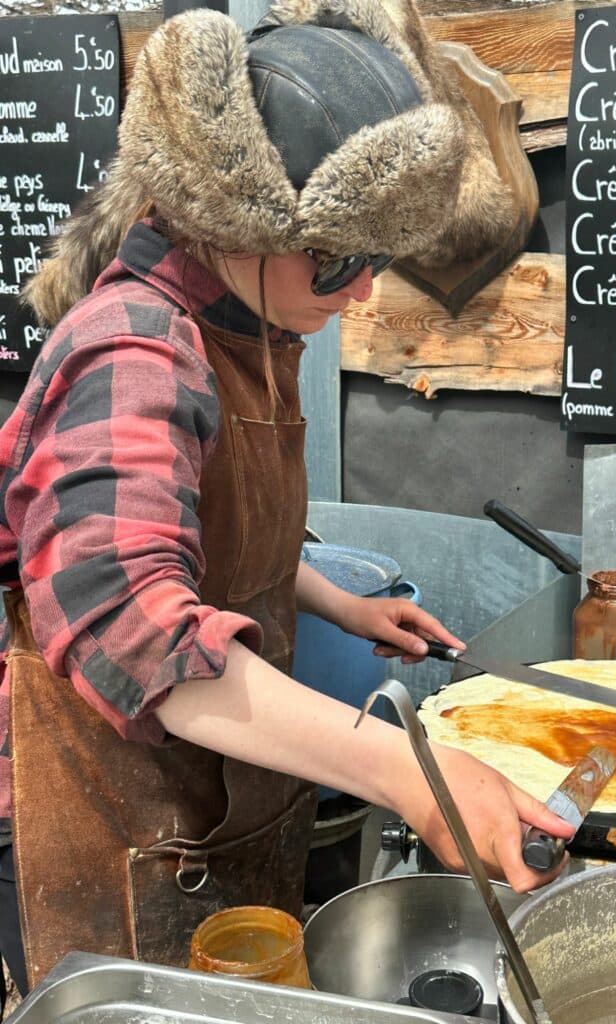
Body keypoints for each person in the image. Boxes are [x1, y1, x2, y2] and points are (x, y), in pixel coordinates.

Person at [0, 0, 574, 1005]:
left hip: (222, 820)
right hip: (121, 849)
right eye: (339, 259)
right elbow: (136, 627)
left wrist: (329, 598)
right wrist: (407, 772)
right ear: (239, 216)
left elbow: (199, 532)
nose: (358, 295)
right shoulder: (129, 348)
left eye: (375, 260)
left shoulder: (254, 329)